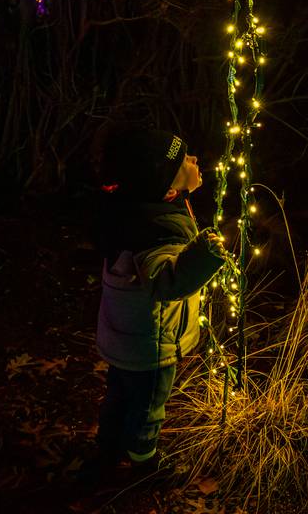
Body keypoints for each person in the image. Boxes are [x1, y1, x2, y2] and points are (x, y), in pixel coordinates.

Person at [80, 125, 226, 483]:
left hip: (123, 334)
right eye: (182, 161)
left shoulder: (134, 209)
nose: (193, 159)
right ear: (169, 186)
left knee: (118, 393)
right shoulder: (156, 229)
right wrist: (204, 256)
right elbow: (165, 282)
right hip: (148, 342)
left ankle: (107, 449)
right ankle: (144, 464)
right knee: (148, 405)